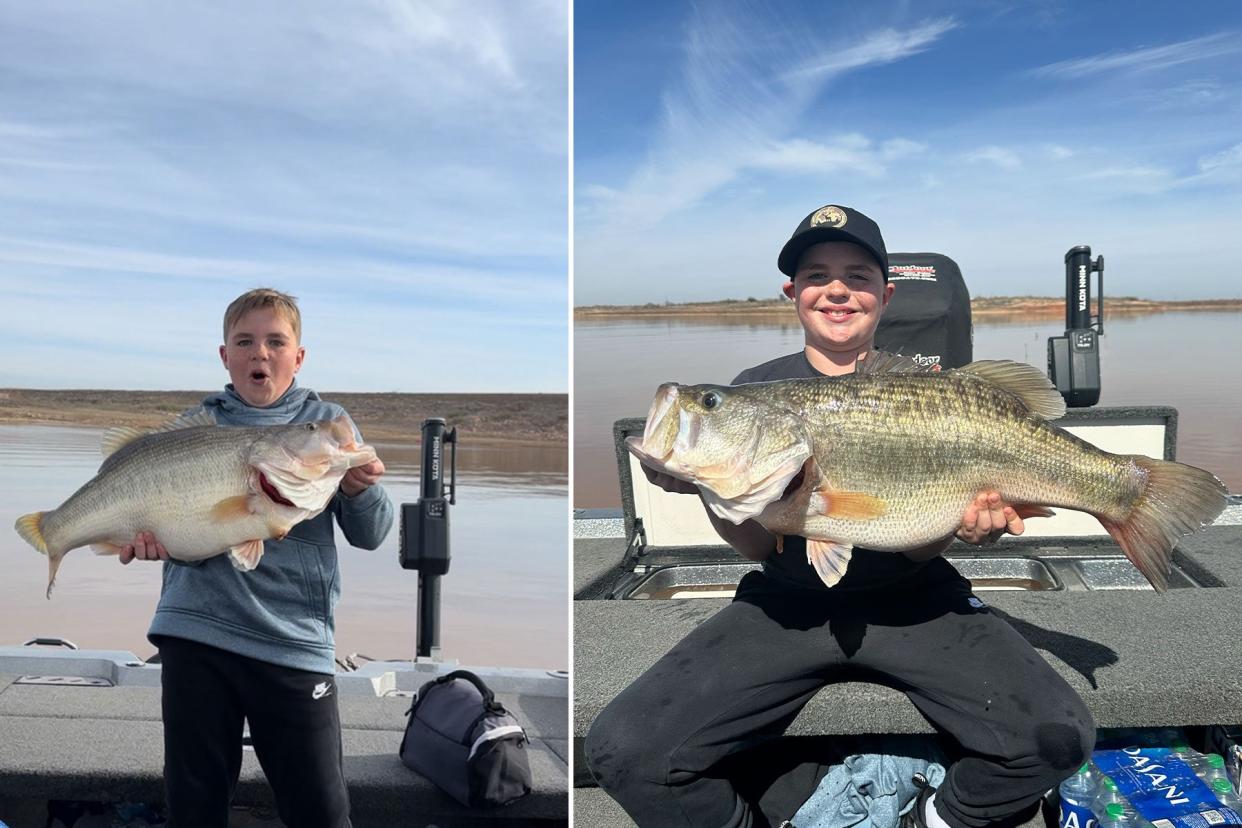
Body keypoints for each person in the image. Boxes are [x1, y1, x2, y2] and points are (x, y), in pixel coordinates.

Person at [584, 205, 1095, 828]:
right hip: (786, 599)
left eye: (856, 275)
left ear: (886, 293)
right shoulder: (758, 387)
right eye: (817, 274)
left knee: (1058, 738)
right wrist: (703, 487)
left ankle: (932, 818)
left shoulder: (924, 386)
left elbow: (912, 544)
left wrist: (965, 526)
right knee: (625, 751)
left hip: (916, 595)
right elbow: (756, 547)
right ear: (792, 292)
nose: (836, 289)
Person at [119, 288, 394, 828]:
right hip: (195, 634)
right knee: (193, 807)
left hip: (293, 643)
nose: (260, 353)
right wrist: (153, 542)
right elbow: (181, 534)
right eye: (244, 342)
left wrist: (362, 492)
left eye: (275, 341)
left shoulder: (329, 425)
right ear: (225, 355)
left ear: (299, 356)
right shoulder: (196, 425)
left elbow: (373, 535)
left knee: (320, 808)